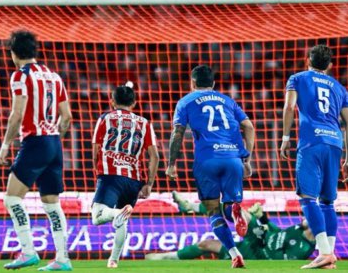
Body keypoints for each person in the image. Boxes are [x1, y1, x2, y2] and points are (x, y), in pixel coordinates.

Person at [0, 30, 73, 271]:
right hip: (53, 143)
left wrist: (6, 144)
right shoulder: (54, 76)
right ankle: (62, 259)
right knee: (52, 204)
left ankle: (28, 251)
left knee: (12, 198)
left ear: (13, 53)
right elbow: (67, 117)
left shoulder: (20, 75)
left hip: (35, 141)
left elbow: (17, 113)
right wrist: (54, 139)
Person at [166, 65, 255, 268]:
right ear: (213, 84)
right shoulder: (227, 100)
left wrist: (171, 164)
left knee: (212, 210)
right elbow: (248, 127)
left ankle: (234, 254)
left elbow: (177, 133)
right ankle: (234, 210)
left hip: (207, 160)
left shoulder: (185, 101)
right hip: (233, 158)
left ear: (193, 83)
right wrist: (247, 159)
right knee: (229, 205)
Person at [280, 45, 348, 269]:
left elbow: (290, 107)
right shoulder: (339, 88)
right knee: (328, 202)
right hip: (335, 143)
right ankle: (329, 256)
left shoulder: (297, 78)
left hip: (311, 142)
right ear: (329, 65)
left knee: (307, 198)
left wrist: (285, 137)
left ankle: (325, 253)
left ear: (307, 59)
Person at [91, 83, 159, 268]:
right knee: (121, 221)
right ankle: (113, 260)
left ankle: (118, 213)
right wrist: (149, 184)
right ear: (134, 103)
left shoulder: (105, 118)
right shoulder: (145, 123)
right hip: (134, 180)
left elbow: (96, 147)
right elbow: (155, 156)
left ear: (112, 101)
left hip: (111, 174)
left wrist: (97, 171)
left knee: (97, 216)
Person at [147, 197, 315, 261]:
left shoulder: (304, 248)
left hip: (256, 255)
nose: (303, 217)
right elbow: (278, 235)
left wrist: (261, 237)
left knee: (207, 245)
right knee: (238, 214)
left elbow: (278, 263)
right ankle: (190, 206)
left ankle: (163, 258)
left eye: (307, 217)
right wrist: (263, 218)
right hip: (255, 241)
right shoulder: (299, 228)